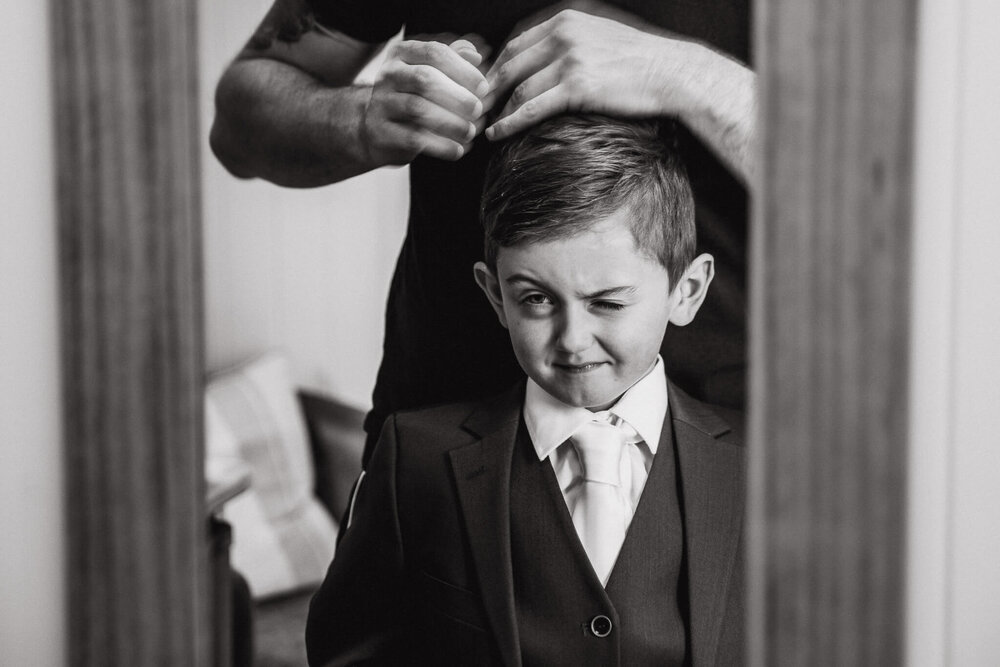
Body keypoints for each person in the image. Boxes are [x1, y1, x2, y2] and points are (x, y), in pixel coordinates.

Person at [210, 0, 755, 465]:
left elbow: (844, 167)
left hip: (738, 428)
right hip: (445, 423)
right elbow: (238, 125)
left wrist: (682, 74)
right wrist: (362, 119)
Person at [305, 115, 744, 666]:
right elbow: (348, 653)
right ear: (495, 296)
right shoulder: (416, 458)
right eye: (536, 299)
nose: (573, 340)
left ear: (688, 290)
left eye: (607, 302)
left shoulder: (763, 464)